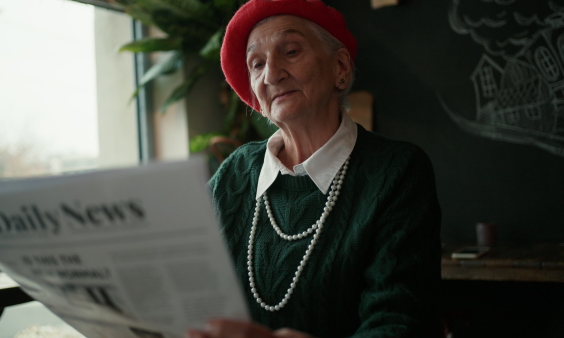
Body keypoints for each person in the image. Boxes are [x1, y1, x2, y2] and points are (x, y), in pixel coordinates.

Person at [186, 0, 442, 337]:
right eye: (257, 63)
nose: (272, 73)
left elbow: (399, 323)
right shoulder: (233, 173)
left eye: (291, 51)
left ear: (340, 68)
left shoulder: (396, 171)